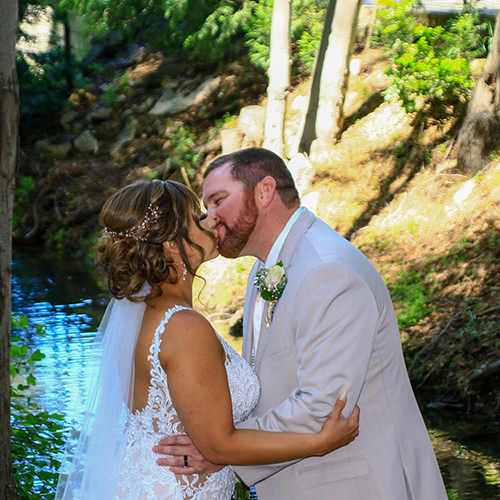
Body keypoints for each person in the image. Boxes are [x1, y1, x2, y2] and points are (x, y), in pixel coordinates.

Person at [155, 148, 448, 500]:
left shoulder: (327, 271)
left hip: (357, 486)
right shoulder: (265, 269)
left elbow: (323, 408)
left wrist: (222, 450)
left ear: (264, 192)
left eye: (218, 201)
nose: (209, 218)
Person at [55, 179, 359, 500]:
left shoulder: (143, 315)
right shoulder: (185, 327)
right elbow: (219, 444)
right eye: (199, 217)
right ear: (172, 243)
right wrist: (319, 442)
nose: (212, 219)